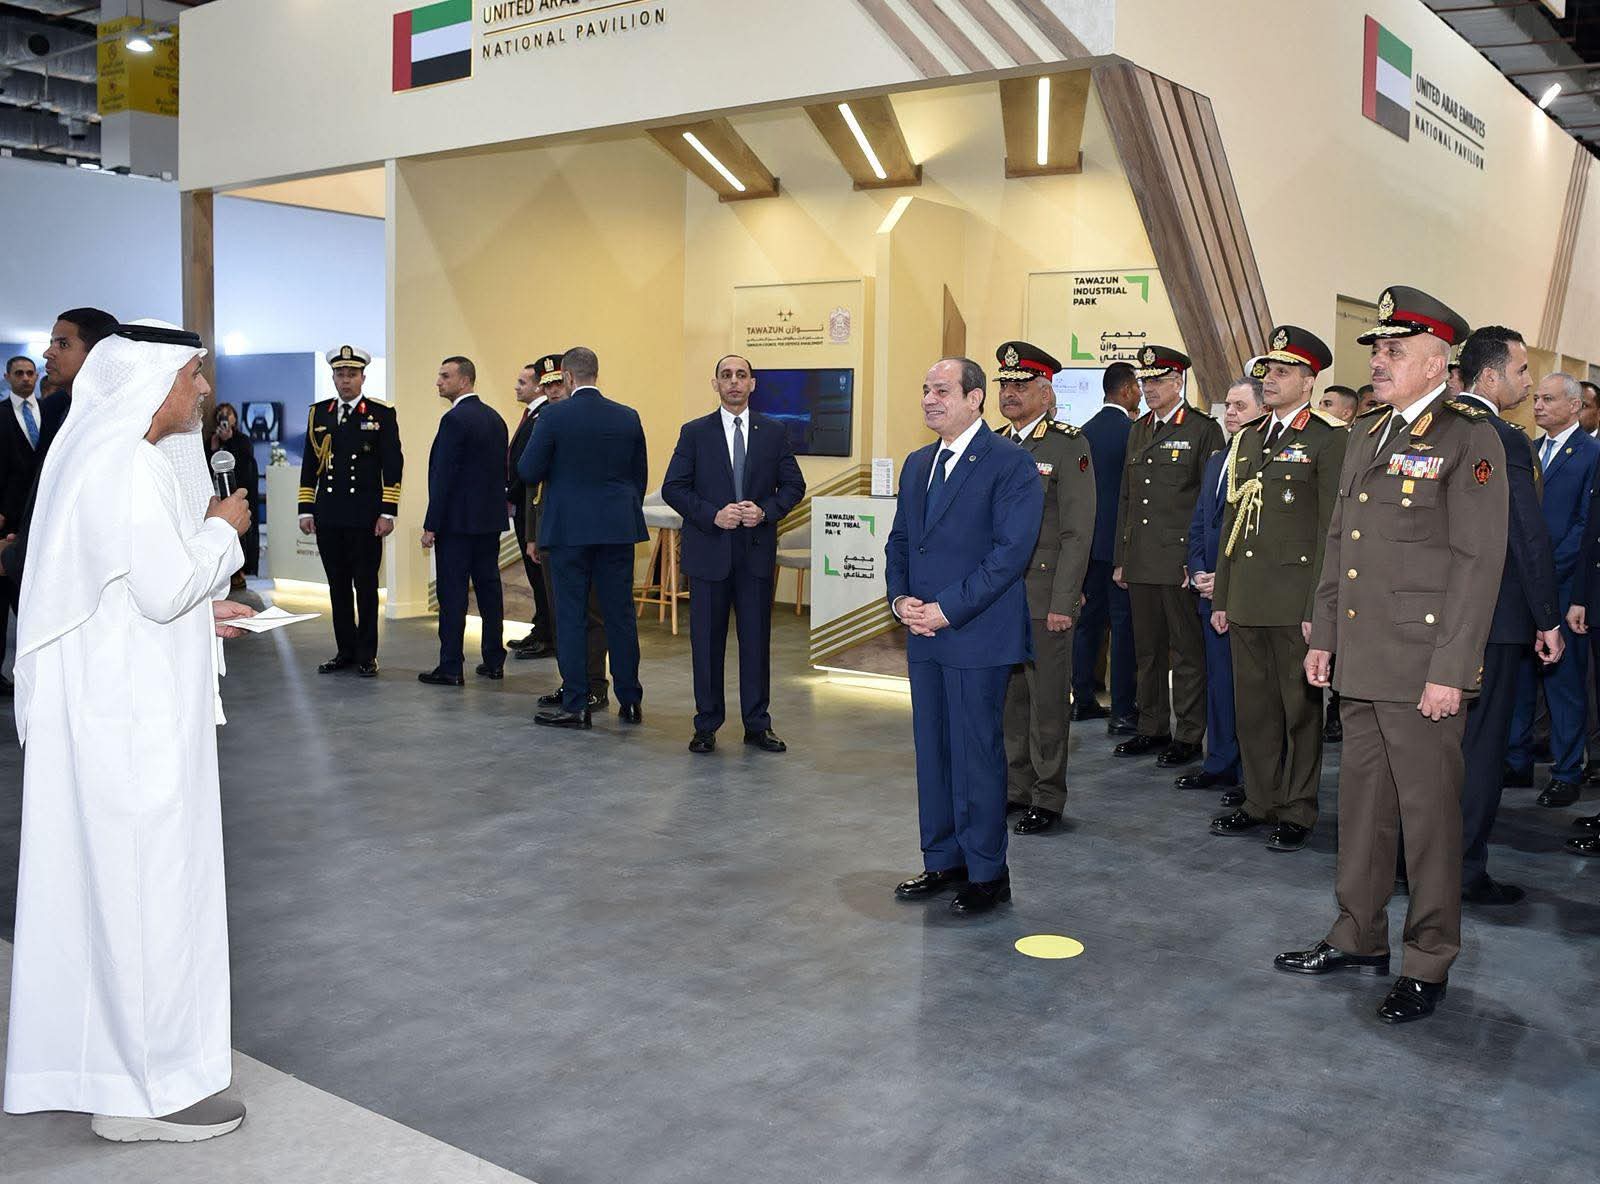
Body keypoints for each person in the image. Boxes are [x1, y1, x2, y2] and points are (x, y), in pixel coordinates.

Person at [5, 320, 255, 1142]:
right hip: (136, 723)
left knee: (110, 895)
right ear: (152, 382)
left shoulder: (93, 455)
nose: (203, 390)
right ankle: (152, 1092)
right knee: (151, 892)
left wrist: (201, 615)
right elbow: (162, 586)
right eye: (192, 376)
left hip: (110, 709)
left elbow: (115, 593)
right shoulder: (133, 464)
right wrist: (222, 528)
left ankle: (112, 1075)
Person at [1279, 286, 1506, 1025]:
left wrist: (1451, 670)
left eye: (1394, 350)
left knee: (1428, 819)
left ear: (1437, 361)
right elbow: (1339, 543)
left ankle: (1429, 958)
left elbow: (1477, 563)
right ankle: (1358, 934)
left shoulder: (1467, 436)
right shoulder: (1369, 432)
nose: (1378, 361)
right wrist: (1325, 634)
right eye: (1377, 349)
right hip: (1363, 655)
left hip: (1422, 665)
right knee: (1363, 808)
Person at [887, 357, 1043, 914]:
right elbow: (900, 540)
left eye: (942, 390)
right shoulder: (917, 463)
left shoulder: (1010, 462)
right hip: (924, 633)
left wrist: (946, 609)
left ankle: (986, 873)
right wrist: (900, 599)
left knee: (976, 754)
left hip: (976, 632)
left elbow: (1010, 555)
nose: (930, 399)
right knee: (932, 752)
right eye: (925, 390)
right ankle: (943, 860)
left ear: (974, 398)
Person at [1209, 327, 1348, 852]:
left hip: (1295, 601)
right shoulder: (1248, 437)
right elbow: (1233, 523)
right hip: (1247, 596)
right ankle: (1259, 800)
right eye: (1267, 371)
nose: (1269, 380)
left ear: (1309, 382)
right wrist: (1222, 596)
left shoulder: (1329, 439)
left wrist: (1319, 606)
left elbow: (1331, 530)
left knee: (1299, 712)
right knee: (1254, 710)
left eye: (1283, 372)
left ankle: (1298, 808)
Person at [1451, 327, 1560, 901]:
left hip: (1433, 615)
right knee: (1481, 749)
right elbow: (1526, 533)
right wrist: (1547, 616)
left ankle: (1409, 860)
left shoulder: (1432, 426)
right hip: (1493, 618)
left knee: (1430, 750)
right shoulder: (1503, 437)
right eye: (1521, 370)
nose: (1529, 382)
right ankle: (1463, 870)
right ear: (1490, 377)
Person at [662, 352, 806, 754]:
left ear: (752, 384)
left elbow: (794, 486)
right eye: (726, 375)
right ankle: (706, 725)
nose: (734, 381)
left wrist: (765, 512)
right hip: (708, 554)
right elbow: (674, 487)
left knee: (756, 645)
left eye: (741, 375)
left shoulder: (774, 432)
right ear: (716, 384)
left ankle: (757, 725)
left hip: (755, 555)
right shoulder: (695, 432)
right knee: (706, 645)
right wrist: (712, 515)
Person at [992, 342, 1094, 835]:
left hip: (1044, 594)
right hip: (1000, 597)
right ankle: (1017, 787)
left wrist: (1064, 601)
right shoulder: (992, 443)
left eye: (1021, 385)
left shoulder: (1067, 445)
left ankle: (1048, 796)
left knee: (1048, 701)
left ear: (1046, 393)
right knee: (1010, 699)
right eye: (1005, 385)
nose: (1009, 393)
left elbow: (1077, 531)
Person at [519, 346, 646, 729]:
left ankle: (576, 704)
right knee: (620, 616)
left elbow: (528, 470)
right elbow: (638, 477)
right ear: (595, 374)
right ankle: (630, 701)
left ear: (568, 377)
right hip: (617, 529)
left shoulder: (553, 416)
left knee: (572, 616)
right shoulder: (627, 416)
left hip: (569, 531)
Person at [1112, 345, 1223, 766]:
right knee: (1148, 650)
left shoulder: (1201, 429)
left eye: (1157, 380)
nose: (1149, 388)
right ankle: (1152, 726)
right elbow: (1127, 497)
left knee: (1187, 652)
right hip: (1141, 558)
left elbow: (1209, 504)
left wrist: (1197, 561)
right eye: (1145, 381)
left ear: (1178, 382)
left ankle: (1189, 734)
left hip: (1179, 562)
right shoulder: (1139, 429)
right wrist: (1122, 556)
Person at [1503, 372, 1599, 807]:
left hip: (1562, 584)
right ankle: (1516, 759)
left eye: (1548, 399)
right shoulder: (1530, 449)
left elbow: (1586, 524)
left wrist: (1545, 569)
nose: (1538, 405)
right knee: (1520, 676)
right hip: (1525, 584)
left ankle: (1566, 771)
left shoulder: (1591, 454)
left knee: (1563, 682)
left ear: (1575, 406)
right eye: (1536, 398)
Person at [298, 345, 403, 677]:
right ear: (333, 377)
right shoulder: (319, 414)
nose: (346, 380)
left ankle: (367, 654)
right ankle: (345, 650)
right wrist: (305, 509)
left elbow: (393, 464)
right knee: (338, 587)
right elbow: (310, 465)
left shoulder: (381, 414)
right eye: (340, 374)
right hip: (329, 515)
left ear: (363, 378)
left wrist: (388, 512)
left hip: (365, 517)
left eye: (352, 375)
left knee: (366, 587)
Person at [0, 308, 120, 594]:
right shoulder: (63, 410)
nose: (48, 353)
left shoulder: (108, 420)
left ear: (97, 354)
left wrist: (13, 556)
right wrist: (23, 542)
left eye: (62, 344)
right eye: (51, 342)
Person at [1179, 376, 1258, 806]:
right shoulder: (1217, 460)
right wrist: (1197, 571)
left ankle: (1252, 774)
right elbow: (1199, 524)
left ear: (1263, 410)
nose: (1230, 413)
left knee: (1248, 688)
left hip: (1242, 592)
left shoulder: (1261, 461)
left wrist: (1222, 579)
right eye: (1227, 405)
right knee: (1219, 681)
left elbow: (1255, 537)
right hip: (1209, 588)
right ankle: (1221, 760)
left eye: (1240, 406)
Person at [520, 358, 612, 711]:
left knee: (591, 613)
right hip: (551, 530)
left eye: (558, 384)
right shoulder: (546, 421)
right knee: (561, 613)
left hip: (587, 531)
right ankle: (571, 682)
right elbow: (534, 487)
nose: (553, 391)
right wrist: (533, 534)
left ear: (571, 381)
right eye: (547, 385)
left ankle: (595, 684)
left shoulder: (589, 420)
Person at [419, 356, 508, 685]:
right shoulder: (496, 418)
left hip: (457, 524)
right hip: (489, 522)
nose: (438, 382)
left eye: (445, 376)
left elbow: (444, 476)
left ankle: (451, 666)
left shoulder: (454, 419)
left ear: (465, 380)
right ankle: (494, 660)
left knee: (453, 595)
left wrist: (431, 524)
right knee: (489, 591)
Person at [1073, 362, 1139, 735]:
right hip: (1121, 549)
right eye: (1138, 387)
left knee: (1087, 624)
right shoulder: (1134, 433)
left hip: (1088, 547)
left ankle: (1081, 698)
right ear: (1126, 390)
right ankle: (1123, 710)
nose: (1141, 393)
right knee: (1124, 629)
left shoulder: (1083, 432)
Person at [506, 356, 559, 659]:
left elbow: (530, 469)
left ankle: (548, 636)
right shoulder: (534, 416)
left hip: (535, 507)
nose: (516, 387)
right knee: (536, 578)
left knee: (542, 579)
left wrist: (508, 492)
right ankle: (541, 628)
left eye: (522, 382)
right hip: (525, 507)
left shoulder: (546, 417)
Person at [1, 355, 42, 694]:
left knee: (35, 604)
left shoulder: (53, 411)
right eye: (19, 373)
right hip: (5, 521)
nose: (26, 378)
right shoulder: (1, 414)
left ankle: (37, 675)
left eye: (30, 373)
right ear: (8, 377)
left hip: (41, 519)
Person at [208, 402, 261, 581]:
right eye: (221, 413)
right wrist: (214, 447)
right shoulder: (212, 440)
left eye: (228, 413)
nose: (224, 417)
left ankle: (243, 570)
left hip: (239, 495)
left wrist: (230, 440)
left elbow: (245, 466)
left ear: (235, 418)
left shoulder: (242, 440)